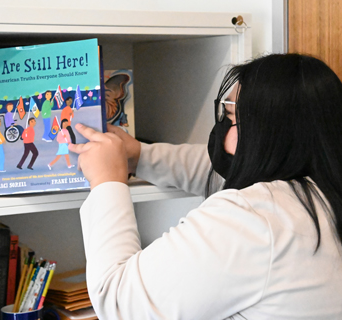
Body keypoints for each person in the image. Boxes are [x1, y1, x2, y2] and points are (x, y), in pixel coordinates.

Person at [68, 53, 342, 319]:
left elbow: (120, 302)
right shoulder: (321, 192)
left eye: (233, 119)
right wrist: (139, 155)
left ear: (269, 136)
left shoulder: (254, 218)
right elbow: (215, 171)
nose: (223, 129)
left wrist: (107, 182)